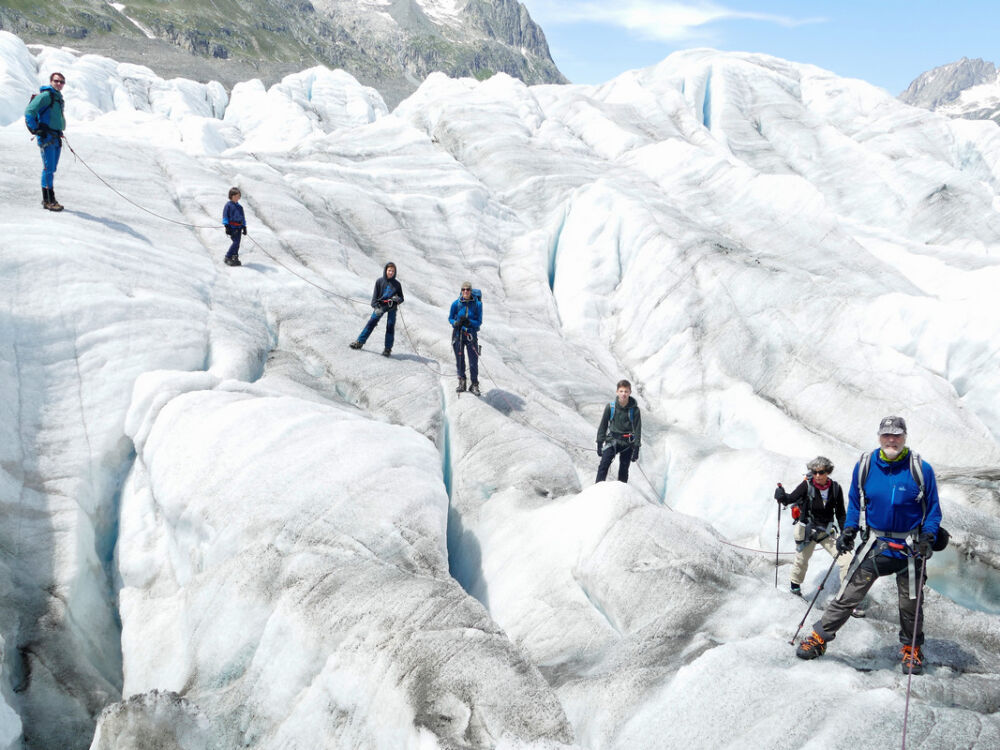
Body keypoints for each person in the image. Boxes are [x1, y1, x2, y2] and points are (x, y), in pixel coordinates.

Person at [796, 416, 942, 675]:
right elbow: (854, 502)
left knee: (911, 603)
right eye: (886, 435)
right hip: (876, 542)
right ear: (879, 437)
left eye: (896, 435)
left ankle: (912, 649)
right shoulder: (866, 466)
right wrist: (850, 528)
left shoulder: (921, 469)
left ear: (905, 437)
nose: (891, 439)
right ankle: (820, 637)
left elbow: (933, 510)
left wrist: (928, 536)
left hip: (910, 545)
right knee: (848, 594)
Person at [774, 456, 850, 597]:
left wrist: (845, 533)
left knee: (847, 560)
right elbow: (790, 499)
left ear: (828, 472)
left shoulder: (835, 488)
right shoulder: (806, 486)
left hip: (826, 531)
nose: (817, 476)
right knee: (801, 560)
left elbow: (840, 513)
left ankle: (847, 596)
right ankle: (795, 587)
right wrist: (781, 495)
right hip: (808, 530)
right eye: (814, 472)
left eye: (821, 472)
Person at [24, 71, 67, 211]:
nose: (59, 84)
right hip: (47, 137)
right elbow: (29, 111)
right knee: (48, 168)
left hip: (55, 136)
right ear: (51, 81)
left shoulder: (57, 97)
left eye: (61, 82)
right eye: (56, 81)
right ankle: (48, 200)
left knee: (52, 168)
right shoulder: (46, 96)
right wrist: (36, 130)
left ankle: (49, 199)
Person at [349, 262, 404, 356]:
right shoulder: (379, 281)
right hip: (381, 305)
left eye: (392, 271)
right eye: (389, 270)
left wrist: (397, 299)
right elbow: (374, 296)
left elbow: (401, 298)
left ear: (395, 272)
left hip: (392, 307)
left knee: (390, 326)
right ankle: (359, 342)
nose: (391, 272)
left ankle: (388, 349)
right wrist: (375, 306)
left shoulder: (397, 284)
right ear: (386, 270)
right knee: (371, 323)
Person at [596, 380, 641, 483]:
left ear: (630, 392)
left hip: (627, 443)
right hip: (612, 440)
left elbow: (638, 429)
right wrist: (599, 442)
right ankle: (597, 489)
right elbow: (603, 425)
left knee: (624, 471)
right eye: (621, 391)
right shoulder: (610, 407)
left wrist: (637, 448)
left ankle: (622, 495)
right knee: (603, 465)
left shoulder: (635, 410)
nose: (623, 394)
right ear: (617, 392)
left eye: (626, 391)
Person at [449, 281, 483, 395]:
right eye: (463, 289)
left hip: (471, 335)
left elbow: (479, 321)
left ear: (471, 291)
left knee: (473, 361)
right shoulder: (456, 304)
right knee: (460, 359)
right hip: (458, 334)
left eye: (467, 289)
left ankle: (474, 384)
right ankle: (462, 381)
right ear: (461, 291)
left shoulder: (478, 304)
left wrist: (469, 322)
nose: (465, 292)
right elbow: (450, 318)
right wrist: (456, 323)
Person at [222, 187, 247, 266]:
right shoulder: (228, 205)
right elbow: (225, 216)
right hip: (232, 227)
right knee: (235, 242)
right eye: (235, 196)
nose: (237, 198)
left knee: (238, 243)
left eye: (238, 196)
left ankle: (235, 256)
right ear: (231, 196)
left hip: (239, 228)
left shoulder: (240, 207)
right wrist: (226, 226)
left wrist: (244, 226)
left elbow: (242, 217)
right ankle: (228, 256)